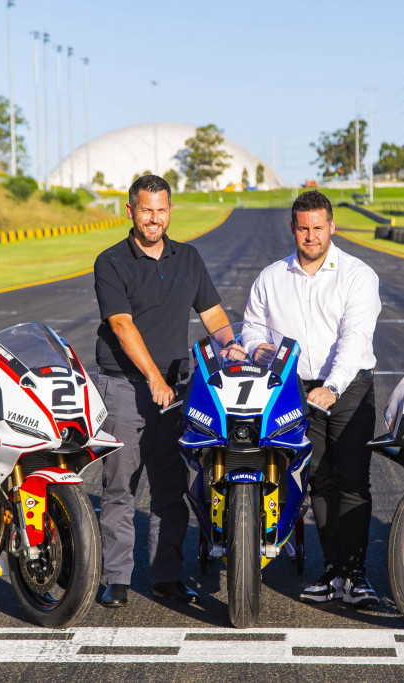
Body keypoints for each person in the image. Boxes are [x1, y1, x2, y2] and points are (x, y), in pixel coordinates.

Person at [93, 174, 234, 608]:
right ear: (130, 210)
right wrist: (154, 377)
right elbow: (121, 324)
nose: (154, 219)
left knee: (172, 490)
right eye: (146, 210)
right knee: (120, 488)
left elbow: (212, 313)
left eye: (162, 210)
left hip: (178, 393)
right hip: (125, 388)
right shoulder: (111, 261)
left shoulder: (188, 258)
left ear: (171, 211)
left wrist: (232, 349)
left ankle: (167, 577)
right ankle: (116, 578)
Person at [242, 190, 381, 608]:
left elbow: (354, 340)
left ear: (331, 227)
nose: (311, 235)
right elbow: (251, 327)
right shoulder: (271, 276)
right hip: (294, 389)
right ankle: (332, 570)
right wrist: (257, 349)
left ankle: (356, 575)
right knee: (317, 481)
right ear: (292, 228)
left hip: (348, 386)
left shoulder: (358, 274)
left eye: (318, 227)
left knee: (352, 482)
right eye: (303, 228)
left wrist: (333, 387)